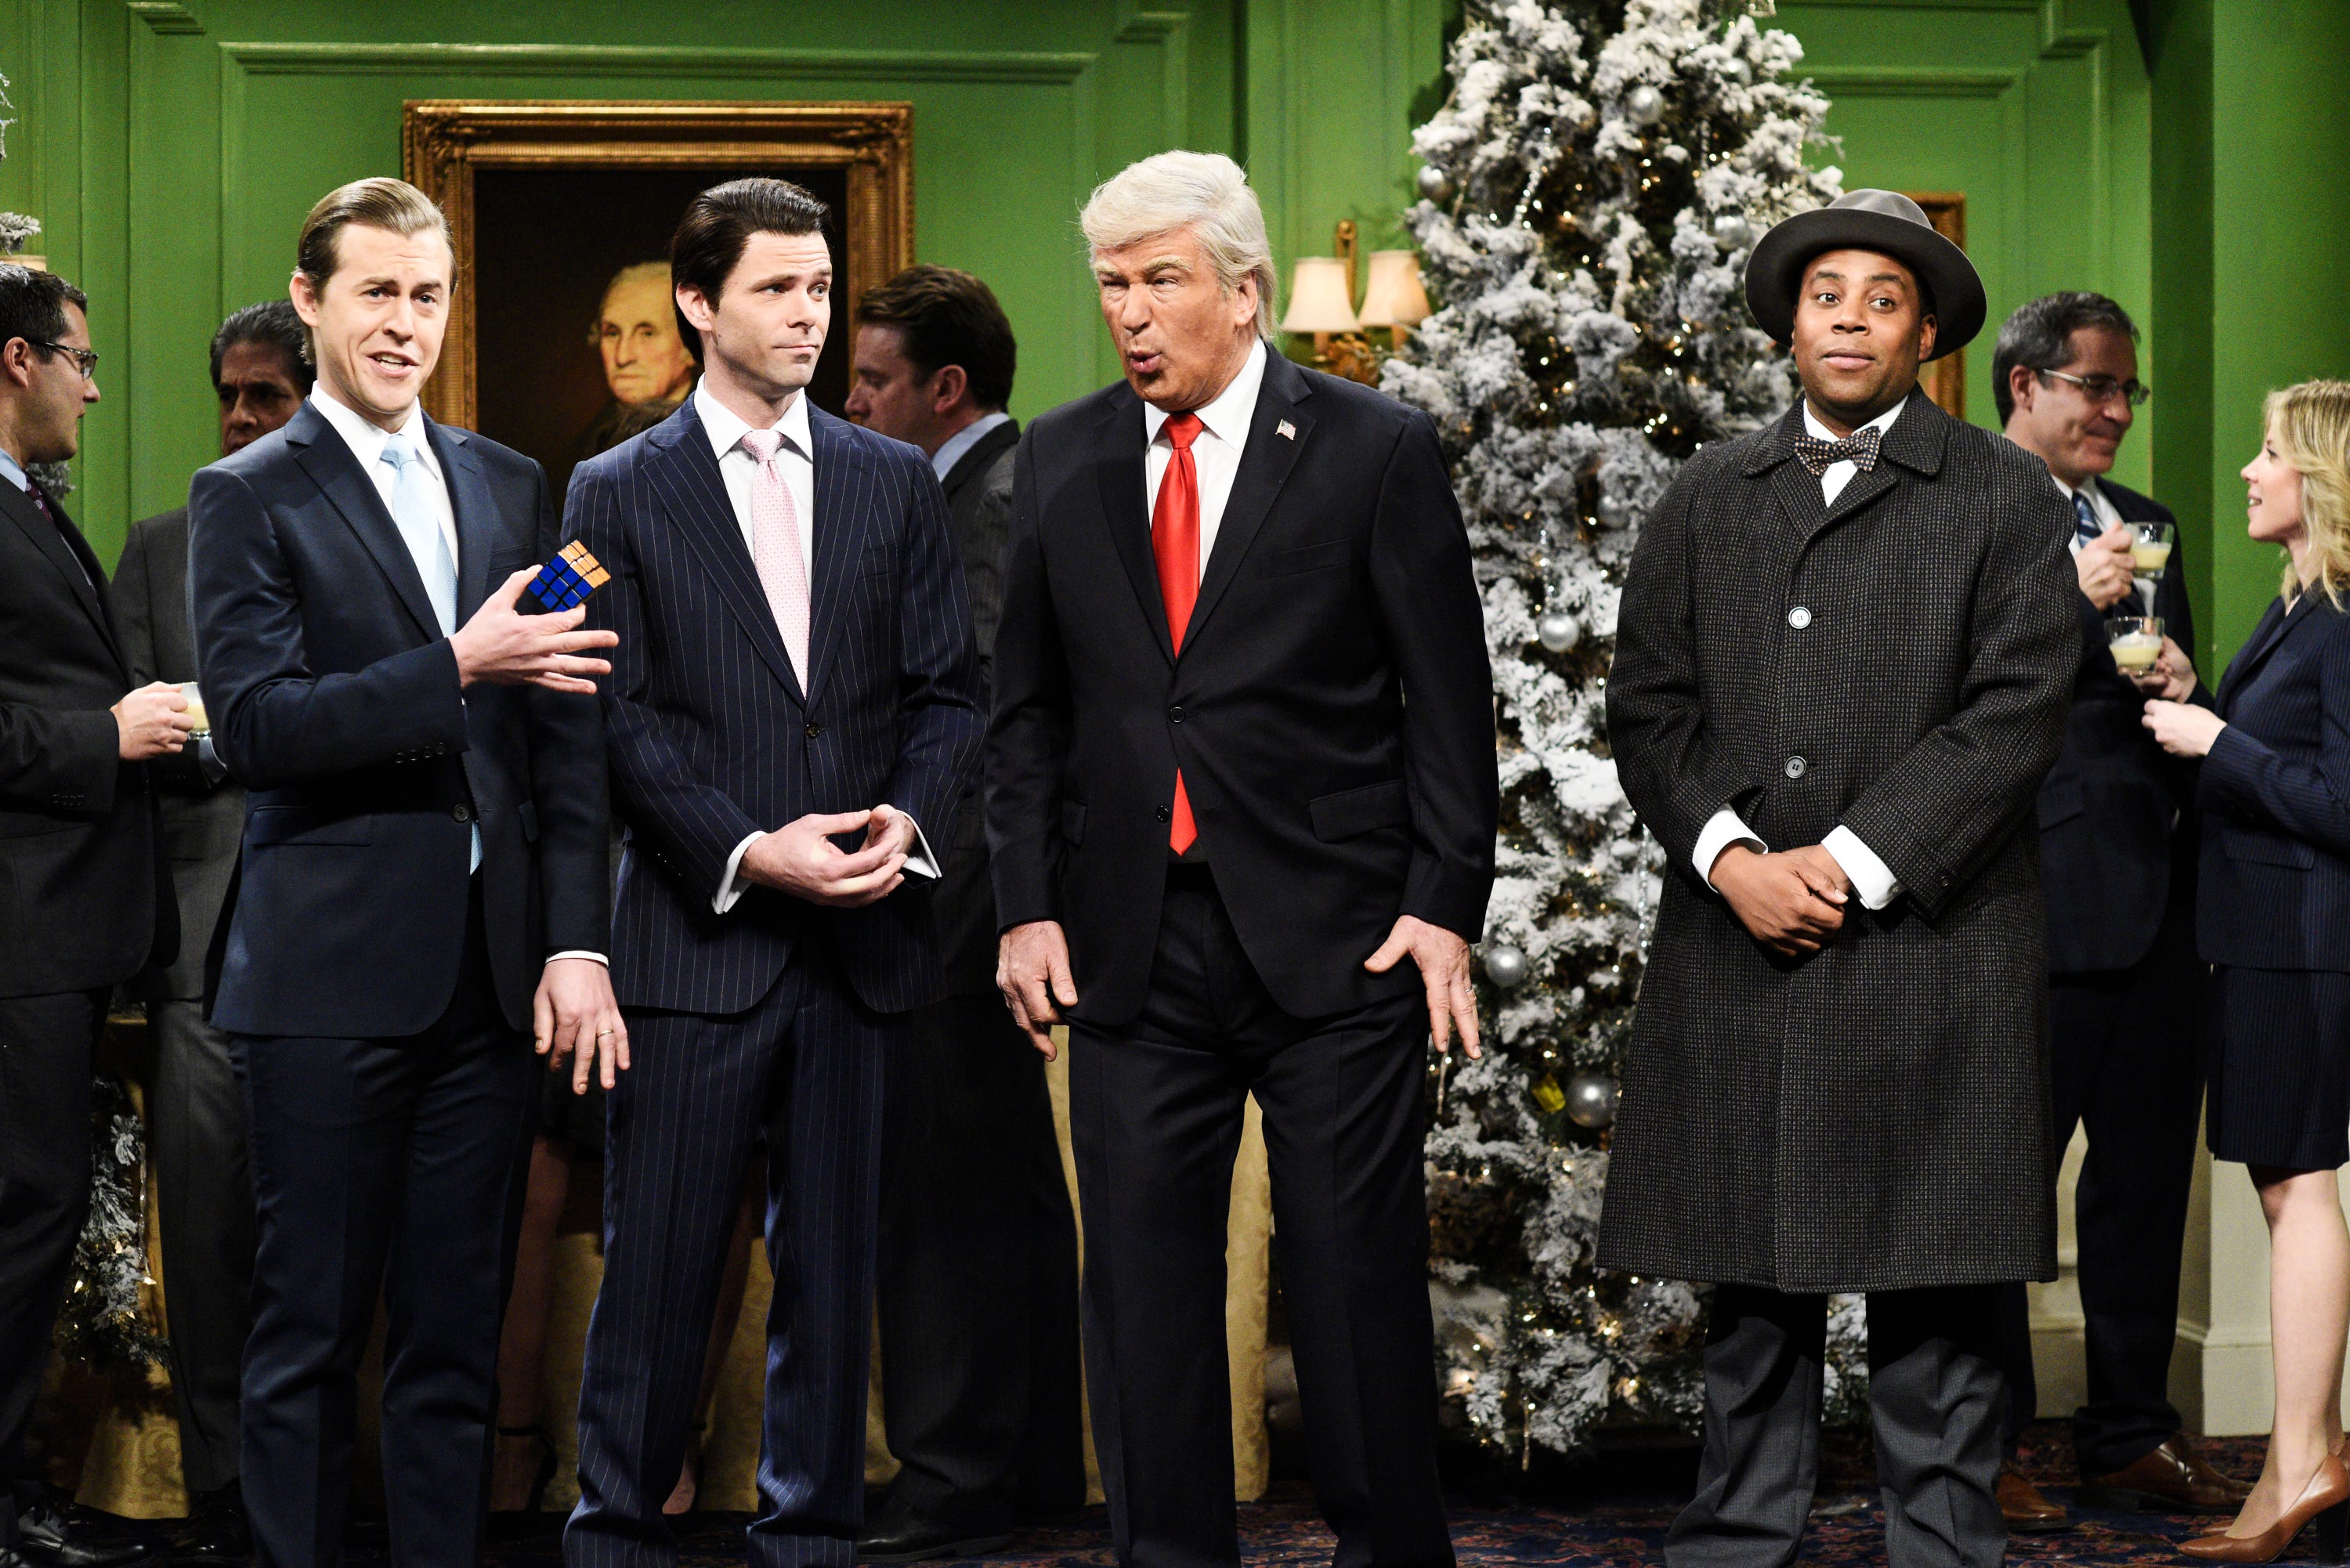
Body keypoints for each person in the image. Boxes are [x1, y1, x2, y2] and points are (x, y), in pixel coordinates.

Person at [988, 150, 1497, 1568]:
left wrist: (1441, 908)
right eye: (1112, 286)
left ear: (1245, 287)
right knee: (1144, 1306)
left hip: (1337, 942)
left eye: (1161, 280)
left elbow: (1448, 709)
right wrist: (1025, 905)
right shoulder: (1065, 454)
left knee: (1349, 1298)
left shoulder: (1373, 447)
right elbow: (1023, 713)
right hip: (1132, 945)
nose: (1132, 314)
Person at [1600, 189, 2078, 1568]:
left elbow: (2018, 708)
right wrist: (1733, 858)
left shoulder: (1997, 490)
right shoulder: (1706, 494)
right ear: (1789, 321)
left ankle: (1942, 1543)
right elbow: (1652, 708)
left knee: (1938, 1293)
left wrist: (1855, 862)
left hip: (1936, 938)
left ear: (1925, 330)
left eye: (1884, 298)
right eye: (1828, 295)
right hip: (1741, 938)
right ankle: (1736, 1541)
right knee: (1751, 1286)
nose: (1852, 318)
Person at [186, 176, 625, 1568]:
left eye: (426, 295)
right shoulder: (243, 492)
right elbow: (256, 727)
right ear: (310, 300)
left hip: (492, 983)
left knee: (456, 1337)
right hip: (324, 975)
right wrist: (454, 664)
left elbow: (566, 733)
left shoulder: (508, 482)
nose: (404, 323)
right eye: (376, 291)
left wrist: (575, 942)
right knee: (307, 1333)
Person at [563, 177, 980, 1568]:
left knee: (834, 1288)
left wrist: (901, 831)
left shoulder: (894, 478)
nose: (808, 315)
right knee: (658, 1287)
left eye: (820, 291)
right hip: (699, 949)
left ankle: (813, 1549)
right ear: (700, 304)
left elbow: (949, 698)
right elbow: (614, 716)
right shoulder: (611, 491)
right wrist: (749, 847)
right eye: (778, 291)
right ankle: (615, 1538)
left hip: (864, 957)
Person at [1986, 291, 2247, 1530]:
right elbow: (1947, 699)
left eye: (2125, 390)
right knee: (2000, 1188)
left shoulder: (2151, 522)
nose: (2114, 410)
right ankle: (1978, 1448)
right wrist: (2062, 602)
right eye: (2092, 384)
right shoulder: (1962, 511)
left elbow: (2156, 704)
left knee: (2142, 1187)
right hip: (2025, 900)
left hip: (2161, 902)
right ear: (2023, 387)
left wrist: (2190, 687)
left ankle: (2128, 1433)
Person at [844, 264, 1083, 1559]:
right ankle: (1034, 1459)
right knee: (1004, 1187)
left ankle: (950, 1479)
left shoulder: (977, 504)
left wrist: (977, 908)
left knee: (945, 1198)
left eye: (871, 380)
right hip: (984, 897)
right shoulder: (1008, 482)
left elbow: (996, 727)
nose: (853, 402)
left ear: (945, 389)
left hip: (955, 902)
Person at [111, 298, 314, 1567]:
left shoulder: (375, 537)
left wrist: (229, 727)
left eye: (266, 398)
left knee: (339, 1241)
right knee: (212, 1239)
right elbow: (137, 736)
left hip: (353, 938)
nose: (239, 419)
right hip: (198, 947)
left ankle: (323, 1487)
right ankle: (226, 1493)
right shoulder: (154, 548)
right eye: (228, 396)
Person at [2143, 380, 2350, 1564]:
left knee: (2300, 1189)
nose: (2248, 470)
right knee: (2289, 1189)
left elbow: (2341, 802)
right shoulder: (2298, 606)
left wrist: (2219, 739)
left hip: (2303, 940)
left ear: (2319, 476)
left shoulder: (2342, 614)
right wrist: (2194, 701)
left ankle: (2303, 1459)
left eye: (2269, 451)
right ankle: (2299, 1456)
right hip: (2266, 935)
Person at [0, 263, 181, 1568]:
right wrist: (104, 734)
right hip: (21, 931)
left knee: (32, 1213)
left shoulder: (32, 506)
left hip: (61, 931)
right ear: (19, 361)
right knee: (21, 1211)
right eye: (81, 359)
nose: (95, 387)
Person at [559, 262, 697, 499]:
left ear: (689, 341)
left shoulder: (715, 437)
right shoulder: (582, 452)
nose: (623, 356)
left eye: (647, 333)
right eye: (612, 333)